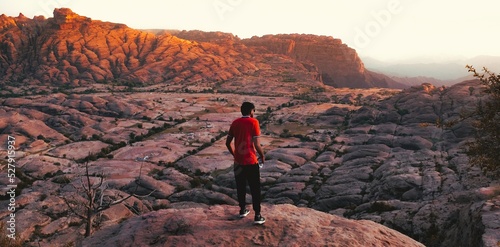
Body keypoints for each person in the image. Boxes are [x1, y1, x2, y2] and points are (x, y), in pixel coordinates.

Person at [225, 102, 266, 225]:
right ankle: (257, 216)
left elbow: (227, 143)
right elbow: (257, 144)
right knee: (255, 188)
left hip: (238, 162)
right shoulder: (254, 122)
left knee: (240, 186)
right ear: (251, 111)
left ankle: (242, 210)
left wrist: (235, 154)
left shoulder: (235, 123)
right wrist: (262, 155)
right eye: (254, 111)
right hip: (251, 161)